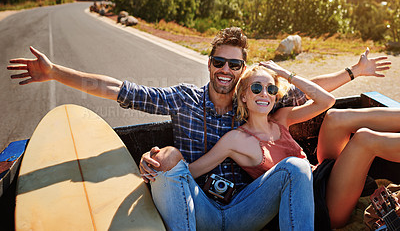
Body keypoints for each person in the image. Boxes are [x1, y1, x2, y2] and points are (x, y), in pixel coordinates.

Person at [7, 27, 390, 228]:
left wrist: (354, 71)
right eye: (219, 62)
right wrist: (55, 73)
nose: (225, 70)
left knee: (296, 167)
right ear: (209, 63)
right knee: (167, 158)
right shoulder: (182, 99)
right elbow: (117, 89)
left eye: (234, 65)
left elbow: (309, 88)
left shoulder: (255, 99)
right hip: (196, 205)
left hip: (245, 209)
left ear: (242, 70)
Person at [148, 62, 335, 229]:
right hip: (217, 213)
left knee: (297, 166)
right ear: (244, 96)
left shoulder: (282, 119)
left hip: (260, 211)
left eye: (270, 89)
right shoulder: (235, 139)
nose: (264, 93)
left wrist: (285, 74)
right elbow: (190, 172)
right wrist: (156, 163)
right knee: (166, 155)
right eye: (256, 88)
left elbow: (327, 101)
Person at [315, 107, 400, 228]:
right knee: (355, 134)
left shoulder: (280, 114)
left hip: (318, 192)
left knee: (342, 124)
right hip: (317, 195)